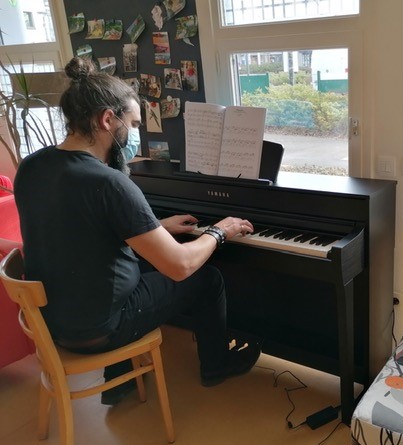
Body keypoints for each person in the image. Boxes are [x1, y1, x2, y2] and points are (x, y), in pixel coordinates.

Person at [13, 56, 260, 405]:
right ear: (107, 120)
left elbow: (82, 231)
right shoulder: (108, 182)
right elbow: (180, 266)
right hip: (101, 329)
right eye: (133, 124)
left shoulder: (33, 166)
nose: (134, 136)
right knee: (207, 278)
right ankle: (216, 365)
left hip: (53, 321)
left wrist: (155, 227)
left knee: (137, 264)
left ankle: (119, 383)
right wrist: (220, 231)